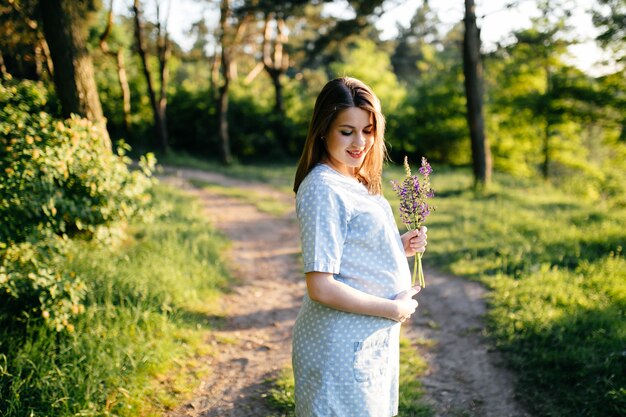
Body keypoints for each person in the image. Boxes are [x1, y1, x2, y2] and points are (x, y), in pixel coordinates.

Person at [292, 76, 428, 417]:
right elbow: (320, 287)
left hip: (364, 345)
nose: (360, 142)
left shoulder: (353, 179)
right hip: (340, 349)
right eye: (346, 131)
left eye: (368, 130)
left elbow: (350, 250)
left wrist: (397, 248)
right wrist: (391, 309)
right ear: (324, 130)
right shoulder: (324, 188)